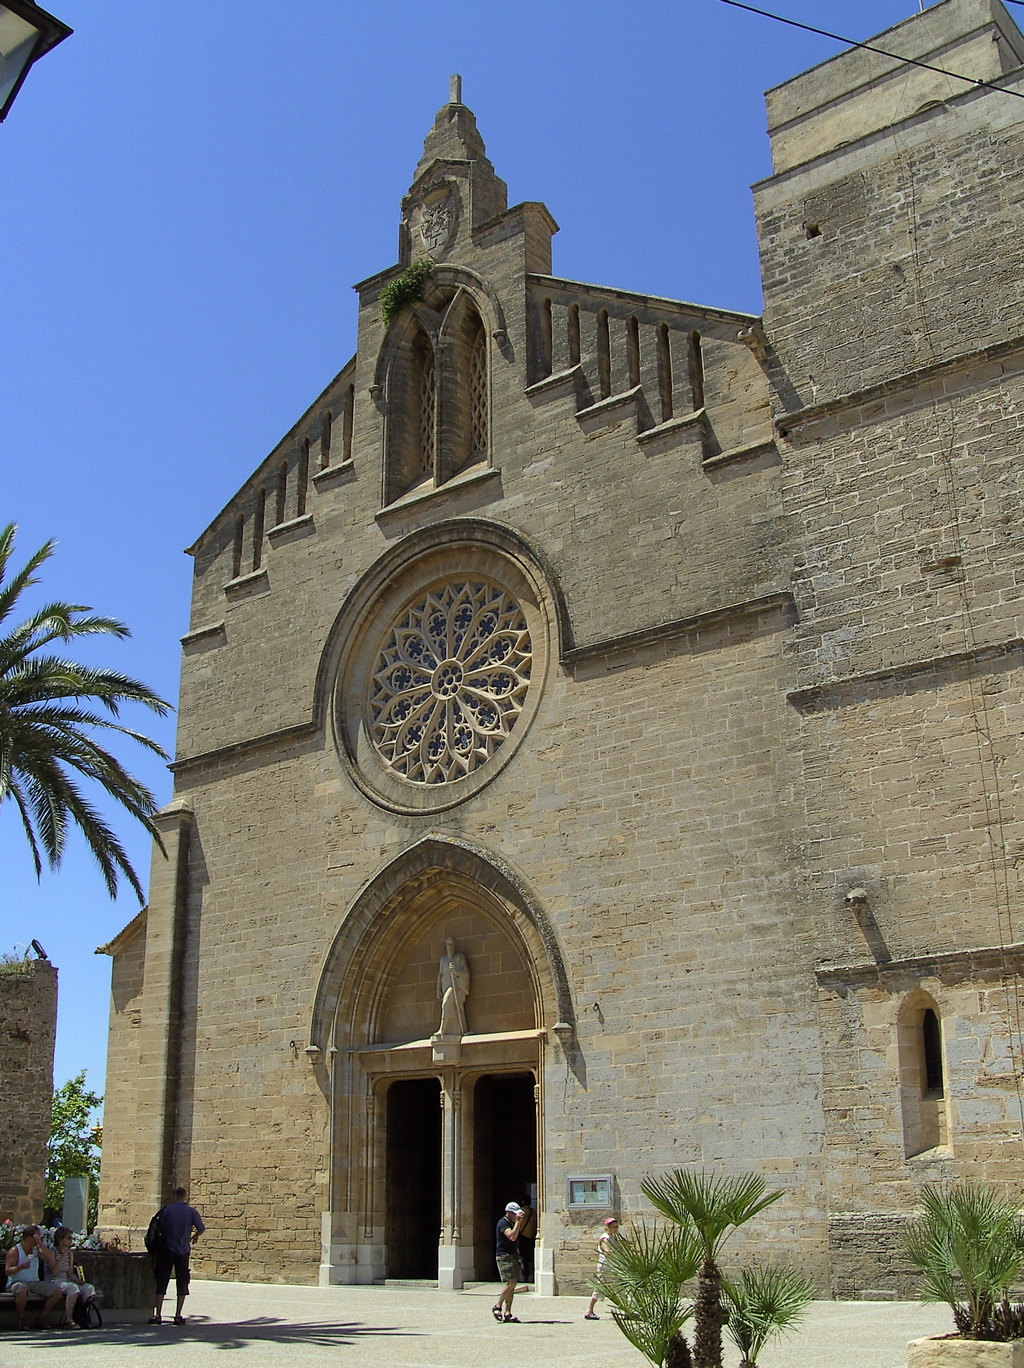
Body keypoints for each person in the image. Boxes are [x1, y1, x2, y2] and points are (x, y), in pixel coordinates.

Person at [150, 1186, 205, 1326]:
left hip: (167, 1249)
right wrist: (194, 1236)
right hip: (183, 1250)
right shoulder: (192, 1212)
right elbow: (201, 1228)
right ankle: (178, 1315)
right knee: (182, 1283)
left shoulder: (167, 1211)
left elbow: (159, 1228)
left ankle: (158, 1315)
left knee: (162, 1281)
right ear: (184, 1196)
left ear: (174, 1196)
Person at [5, 1225, 61, 1329]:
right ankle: (21, 1319)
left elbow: (50, 1258)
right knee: (22, 1290)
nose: (38, 1238)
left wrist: (40, 1244)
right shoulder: (15, 1251)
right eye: (36, 1236)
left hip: (34, 1282)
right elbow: (7, 1271)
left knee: (57, 1292)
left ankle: (42, 1317)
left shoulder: (36, 1249)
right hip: (17, 1282)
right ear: (29, 1238)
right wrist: (20, 1267)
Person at [44, 1226, 97, 1327]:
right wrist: (63, 1256)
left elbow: (70, 1273)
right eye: (68, 1238)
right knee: (72, 1288)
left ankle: (82, 1317)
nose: (71, 1240)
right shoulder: (52, 1252)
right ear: (60, 1239)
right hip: (53, 1281)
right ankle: (69, 1319)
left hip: (65, 1280)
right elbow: (54, 1272)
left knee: (89, 1288)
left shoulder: (70, 1253)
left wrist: (77, 1280)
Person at [492, 1201, 526, 1323]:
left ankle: (508, 1313)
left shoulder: (512, 1222)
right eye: (515, 1214)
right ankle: (497, 1306)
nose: (517, 1216)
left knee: (513, 1284)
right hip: (504, 1256)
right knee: (511, 1283)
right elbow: (511, 1236)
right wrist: (518, 1222)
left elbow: (514, 1239)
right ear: (509, 1212)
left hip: (513, 1256)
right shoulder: (503, 1223)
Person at [584, 1217, 620, 1319]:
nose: (615, 1229)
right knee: (600, 1288)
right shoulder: (605, 1238)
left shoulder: (613, 1237)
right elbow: (606, 1251)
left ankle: (628, 1311)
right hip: (605, 1267)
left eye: (616, 1227)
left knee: (620, 1287)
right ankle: (589, 1310)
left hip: (613, 1266)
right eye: (613, 1227)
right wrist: (613, 1253)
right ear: (607, 1227)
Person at [518, 1200, 537, 1283]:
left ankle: (522, 1275)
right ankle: (530, 1275)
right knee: (529, 1258)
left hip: (521, 1237)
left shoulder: (519, 1212)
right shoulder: (533, 1212)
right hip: (530, 1237)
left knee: (522, 1258)